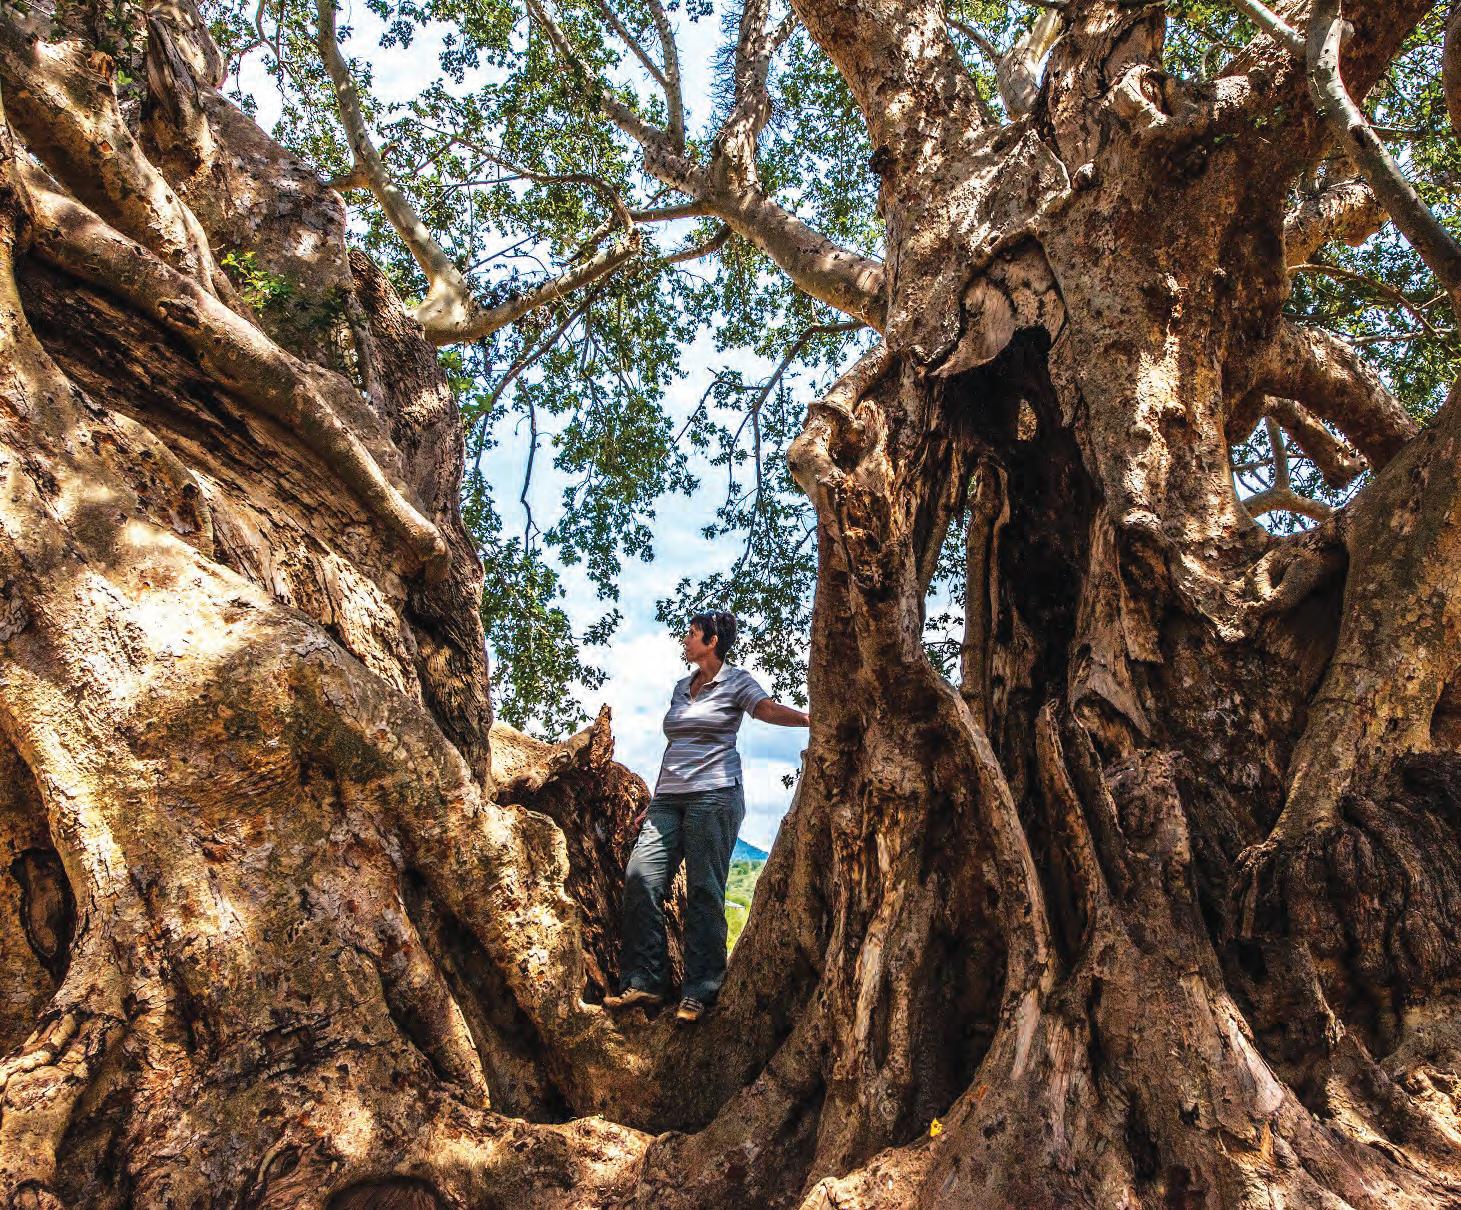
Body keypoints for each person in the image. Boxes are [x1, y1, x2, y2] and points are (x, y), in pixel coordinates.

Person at [604, 610, 809, 1023]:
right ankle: (645, 981)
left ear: (712, 641)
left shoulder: (736, 681)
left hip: (715, 797)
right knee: (641, 877)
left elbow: (765, 710)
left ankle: (700, 991)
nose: (686, 639)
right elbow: (674, 745)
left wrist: (809, 719)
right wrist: (657, 799)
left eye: (692, 633)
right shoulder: (682, 687)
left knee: (704, 890)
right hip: (669, 801)